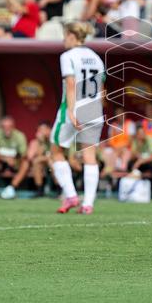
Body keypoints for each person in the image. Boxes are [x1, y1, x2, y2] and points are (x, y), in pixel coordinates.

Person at [52, 23, 105, 215]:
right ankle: (88, 204)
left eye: (65, 35)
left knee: (56, 151)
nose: (63, 40)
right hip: (94, 110)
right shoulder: (97, 58)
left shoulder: (67, 57)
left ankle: (72, 195)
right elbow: (101, 89)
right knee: (90, 157)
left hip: (74, 109)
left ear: (73, 36)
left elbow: (71, 84)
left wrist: (72, 112)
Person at [0, 116, 30, 201]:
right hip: (0, 163)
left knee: (26, 164)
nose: (7, 129)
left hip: (15, 163)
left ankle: (11, 188)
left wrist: (14, 160)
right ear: (1, 127)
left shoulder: (19, 135)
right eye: (4, 127)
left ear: (13, 127)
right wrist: (5, 159)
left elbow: (24, 154)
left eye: (9, 127)